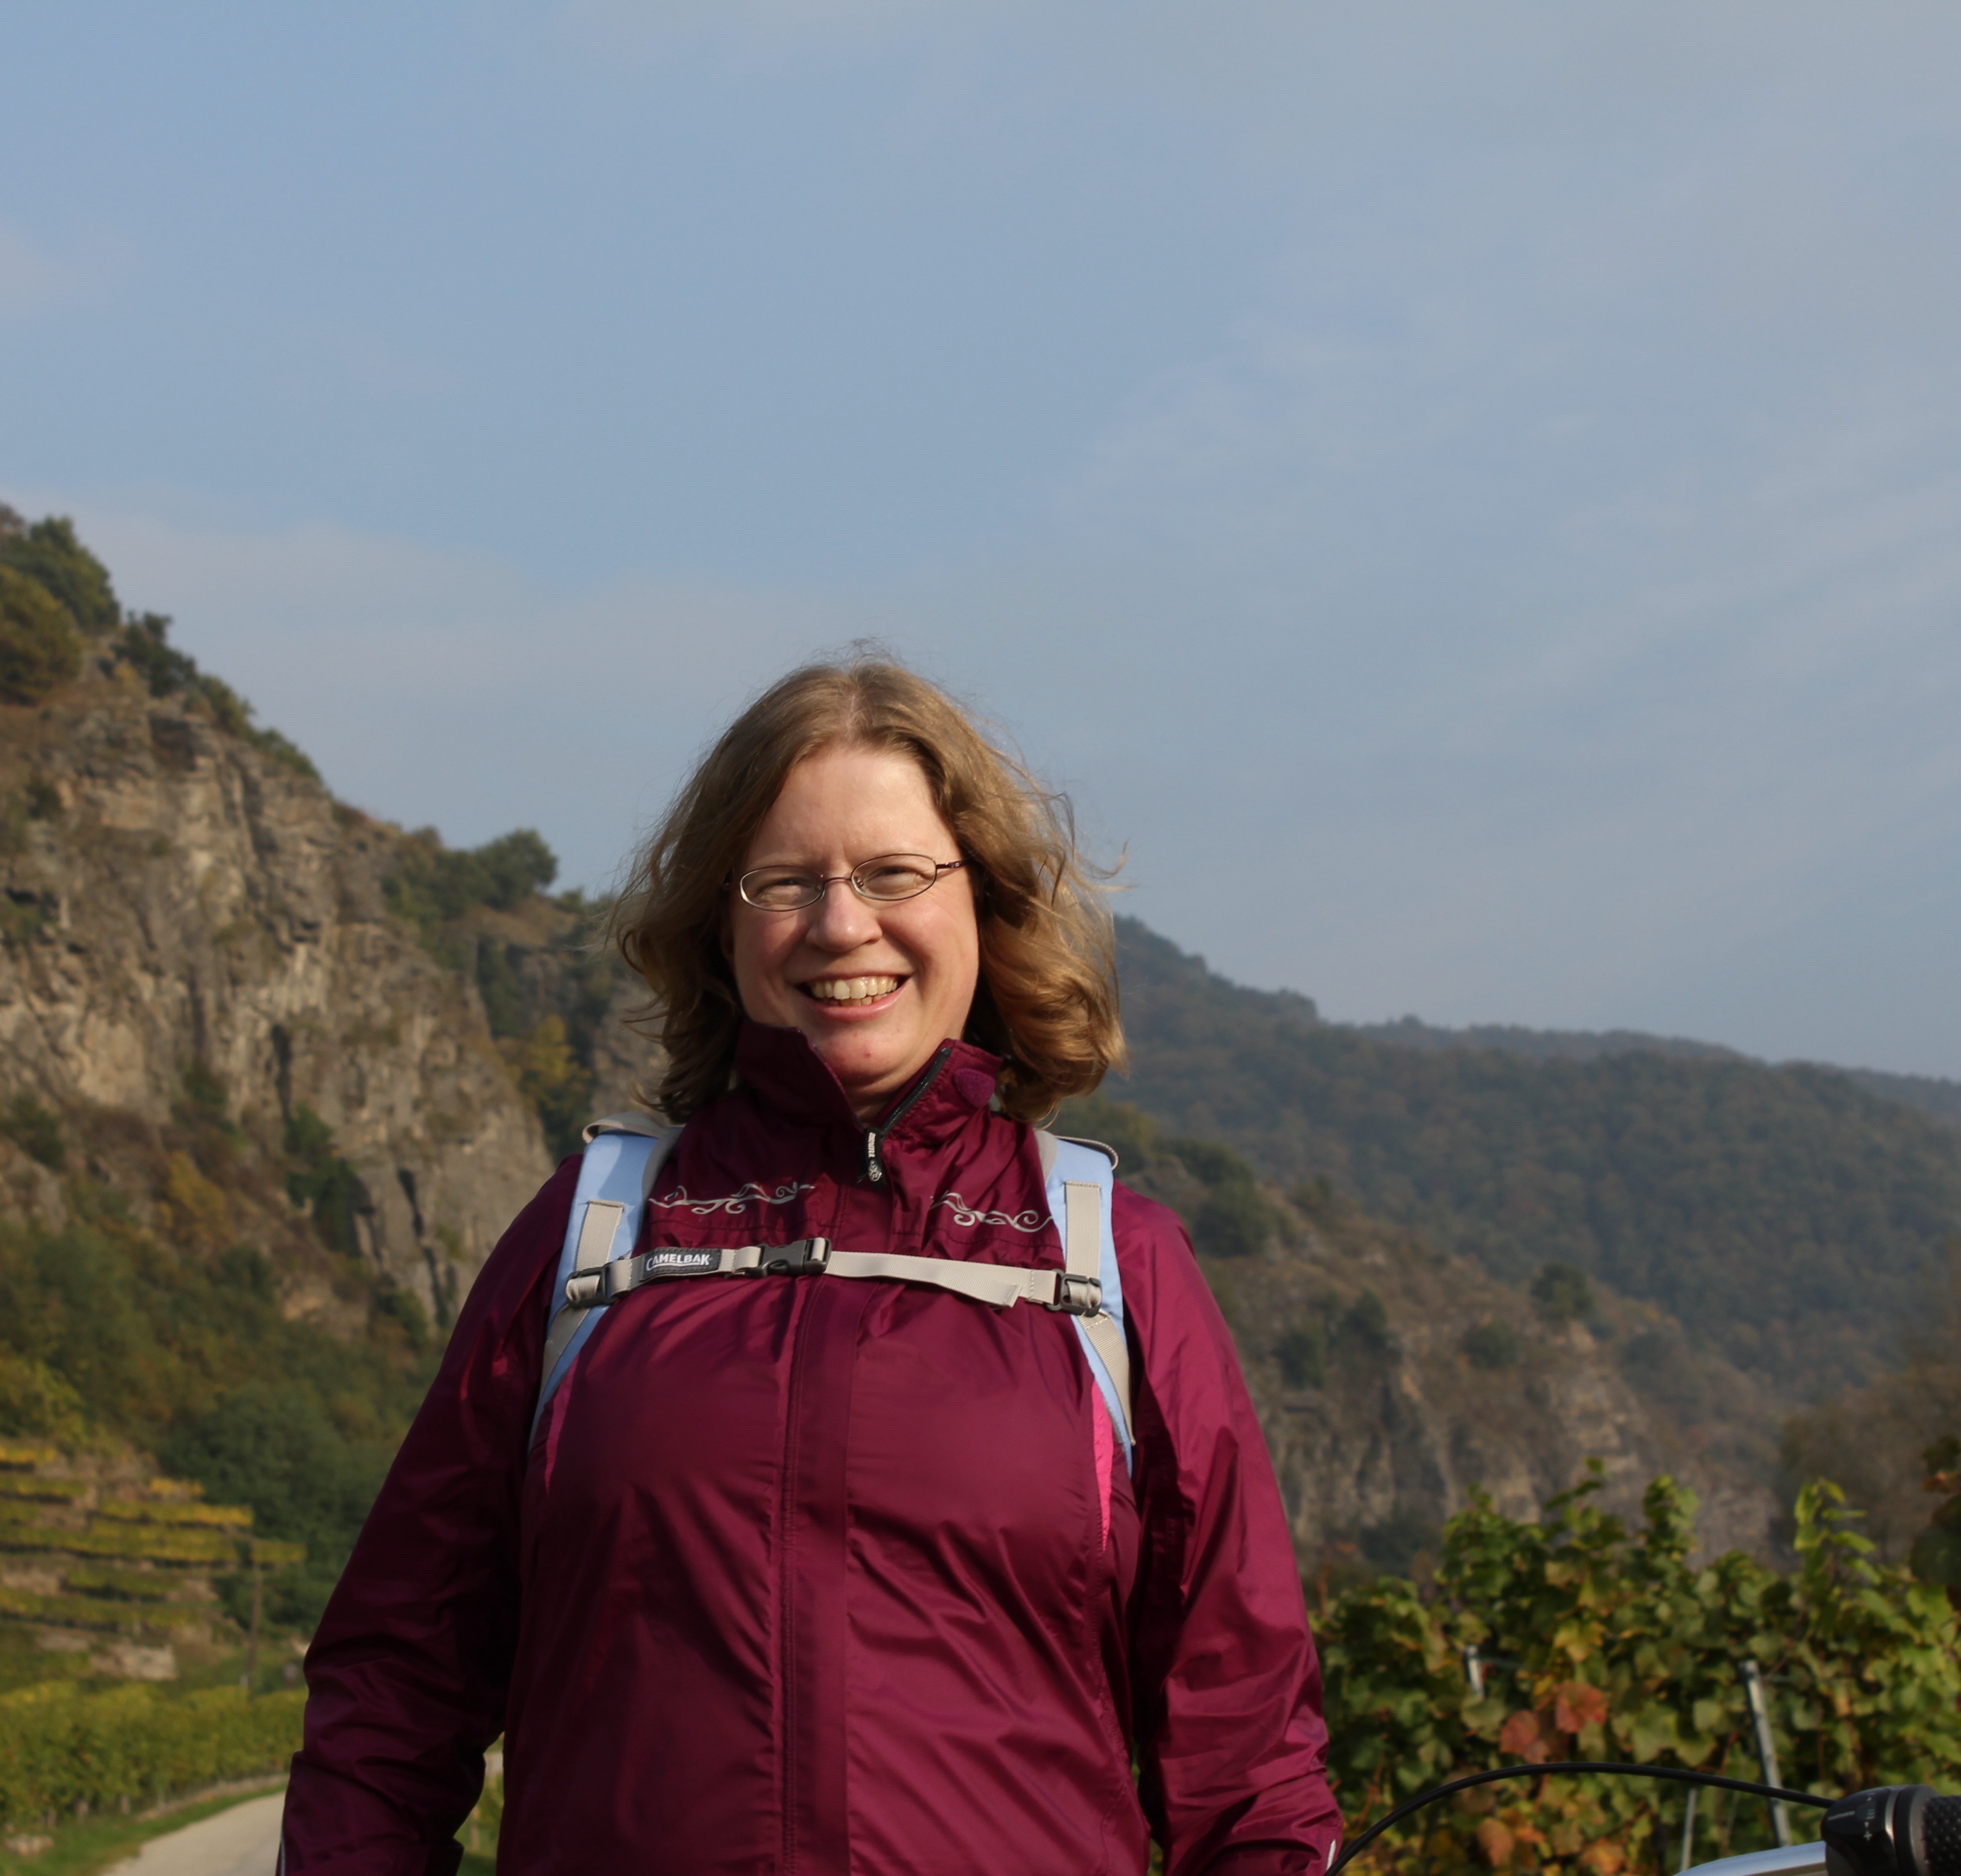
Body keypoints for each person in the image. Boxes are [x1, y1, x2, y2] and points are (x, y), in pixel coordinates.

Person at [284, 655, 1339, 1876]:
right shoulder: (592, 1237)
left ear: (982, 903)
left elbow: (1250, 1766)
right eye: (787, 881)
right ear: (721, 927)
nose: (844, 925)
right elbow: (394, 1697)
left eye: (896, 874)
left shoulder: (1114, 1264)